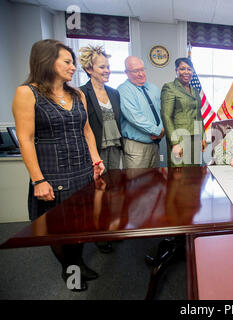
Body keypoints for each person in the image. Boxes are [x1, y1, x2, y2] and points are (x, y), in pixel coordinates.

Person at [11, 39, 105, 291]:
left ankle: (78, 262)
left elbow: (87, 131)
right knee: (59, 228)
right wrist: (38, 180)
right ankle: (70, 270)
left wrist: (96, 160)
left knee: (82, 223)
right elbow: (25, 138)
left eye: (73, 62)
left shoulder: (77, 94)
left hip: (83, 169)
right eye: (67, 61)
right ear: (46, 61)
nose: (73, 67)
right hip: (52, 172)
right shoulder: (27, 93)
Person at [79, 45, 122, 254]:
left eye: (108, 67)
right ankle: (98, 233)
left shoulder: (114, 93)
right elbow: (84, 127)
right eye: (102, 67)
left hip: (115, 146)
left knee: (113, 191)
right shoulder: (81, 93)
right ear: (89, 69)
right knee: (98, 193)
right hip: (96, 150)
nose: (107, 70)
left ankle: (111, 228)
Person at [117, 56, 164, 168]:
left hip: (155, 145)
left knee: (154, 181)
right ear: (126, 73)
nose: (141, 74)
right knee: (136, 183)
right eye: (135, 71)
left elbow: (163, 112)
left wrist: (163, 130)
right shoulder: (123, 90)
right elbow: (135, 117)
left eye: (142, 69)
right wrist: (158, 131)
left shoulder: (154, 88)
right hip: (136, 148)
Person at [161, 57, 206, 167]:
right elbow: (166, 116)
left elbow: (198, 115)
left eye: (189, 69)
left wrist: (202, 137)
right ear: (176, 70)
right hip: (179, 138)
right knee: (179, 175)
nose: (186, 72)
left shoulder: (195, 90)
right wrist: (175, 143)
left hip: (195, 137)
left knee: (194, 174)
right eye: (182, 69)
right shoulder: (170, 88)